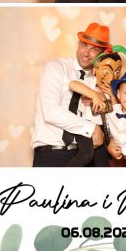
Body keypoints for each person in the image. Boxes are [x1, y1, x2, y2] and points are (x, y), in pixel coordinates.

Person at [32, 23, 110, 166]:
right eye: (84, 45)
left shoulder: (99, 80)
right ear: (79, 44)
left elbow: (109, 117)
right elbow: (51, 112)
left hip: (87, 154)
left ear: (102, 54)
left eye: (94, 49)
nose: (86, 53)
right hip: (52, 154)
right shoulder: (56, 67)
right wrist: (92, 129)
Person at [67, 45, 126, 167]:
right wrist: (94, 95)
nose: (111, 77)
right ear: (95, 70)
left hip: (103, 132)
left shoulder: (114, 92)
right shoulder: (89, 82)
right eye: (106, 72)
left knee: (102, 163)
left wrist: (111, 96)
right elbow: (73, 84)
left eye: (116, 72)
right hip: (85, 128)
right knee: (86, 154)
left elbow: (117, 113)